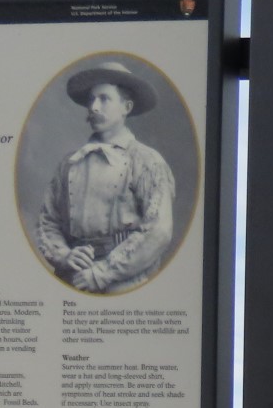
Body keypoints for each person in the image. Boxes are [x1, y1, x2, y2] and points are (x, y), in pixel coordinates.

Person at [35, 61, 176, 294]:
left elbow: (158, 230)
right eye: (91, 99)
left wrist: (103, 272)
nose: (94, 107)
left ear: (126, 107)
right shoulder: (70, 163)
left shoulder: (147, 161)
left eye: (104, 98)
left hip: (124, 282)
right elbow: (47, 221)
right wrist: (65, 255)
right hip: (72, 279)